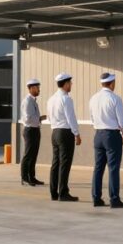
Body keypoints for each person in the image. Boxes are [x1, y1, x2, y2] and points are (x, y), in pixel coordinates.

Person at [90, 72, 123, 208]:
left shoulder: (93, 98)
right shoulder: (115, 99)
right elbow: (122, 120)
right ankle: (114, 199)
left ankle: (96, 198)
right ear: (112, 83)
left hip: (98, 135)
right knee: (113, 168)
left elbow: (92, 118)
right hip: (112, 135)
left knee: (98, 168)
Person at [46, 72, 81, 202]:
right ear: (65, 84)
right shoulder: (66, 99)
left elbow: (49, 117)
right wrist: (76, 133)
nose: (71, 85)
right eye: (70, 83)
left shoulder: (51, 99)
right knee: (65, 164)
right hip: (65, 132)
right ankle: (63, 193)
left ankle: (53, 192)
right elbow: (71, 118)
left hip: (54, 132)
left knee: (55, 163)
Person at [19, 78, 46, 187]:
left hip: (35, 130)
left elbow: (32, 117)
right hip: (30, 130)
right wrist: (39, 119)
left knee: (33, 155)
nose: (39, 89)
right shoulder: (27, 101)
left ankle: (32, 177)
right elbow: (27, 119)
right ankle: (25, 177)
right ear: (31, 88)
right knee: (28, 155)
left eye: (38, 87)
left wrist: (39, 118)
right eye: (37, 88)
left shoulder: (33, 101)